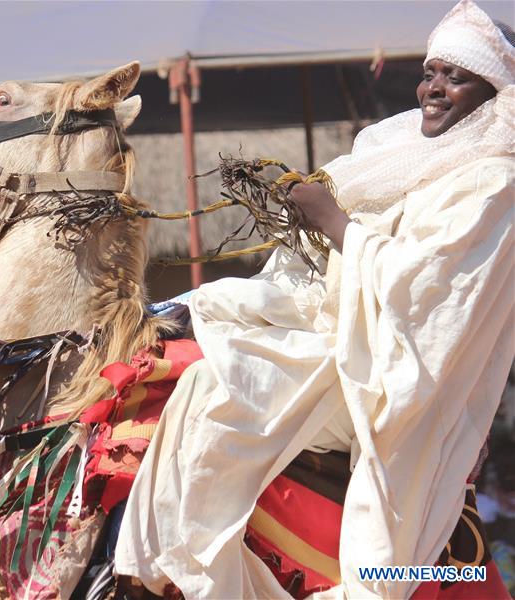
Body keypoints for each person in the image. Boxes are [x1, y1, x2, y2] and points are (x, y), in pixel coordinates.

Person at [114, 1, 514, 598]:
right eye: (430, 71)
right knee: (187, 354)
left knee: (219, 385)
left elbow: (428, 294)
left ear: (494, 95)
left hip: (388, 368)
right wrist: (206, 299)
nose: (434, 88)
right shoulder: (391, 149)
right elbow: (314, 283)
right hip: (332, 334)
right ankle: (148, 564)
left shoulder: (494, 182)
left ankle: (195, 578)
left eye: (456, 77)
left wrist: (335, 224)